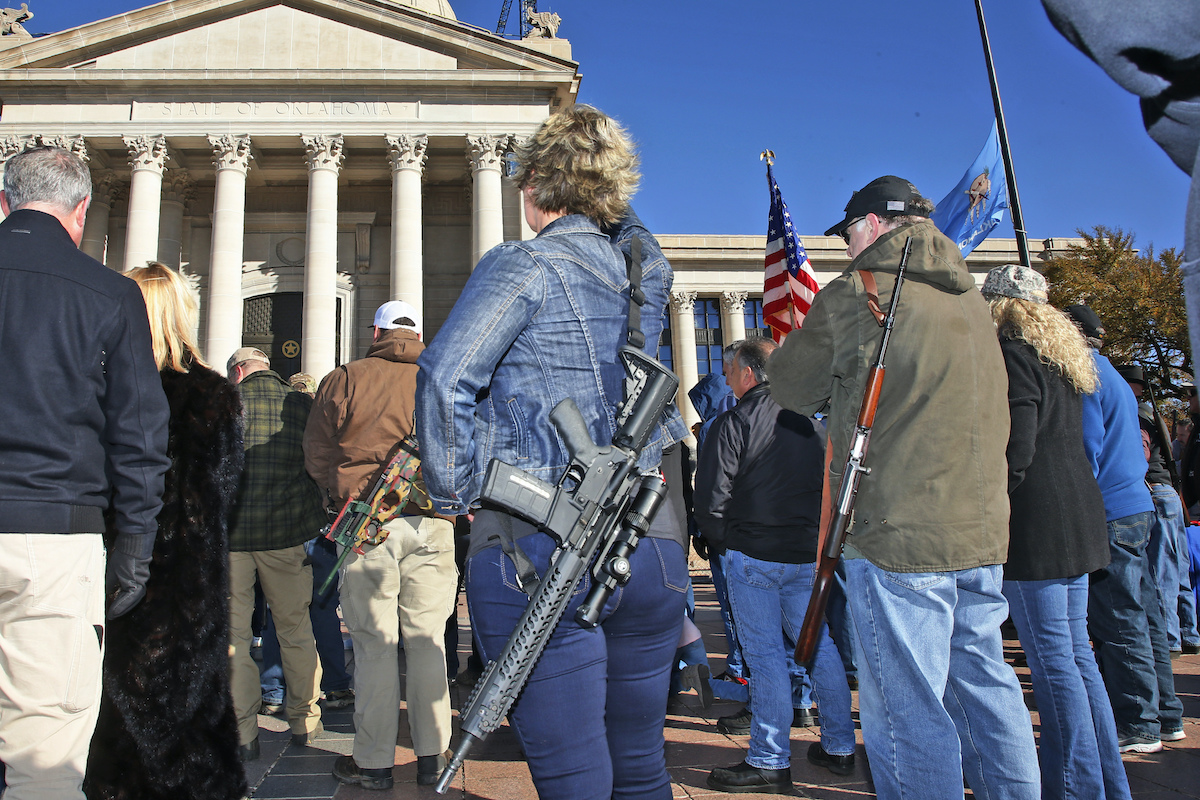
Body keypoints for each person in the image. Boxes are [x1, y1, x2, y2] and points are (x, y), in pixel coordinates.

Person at [416, 104, 688, 800]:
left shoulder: (525, 262)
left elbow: (448, 377)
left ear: (536, 183)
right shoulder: (641, 271)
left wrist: (457, 495)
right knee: (640, 765)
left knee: (574, 777)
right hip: (649, 543)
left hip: (538, 546)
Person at [767, 175, 1040, 800]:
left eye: (848, 233)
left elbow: (788, 386)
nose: (845, 246)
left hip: (895, 533)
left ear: (874, 226)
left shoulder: (860, 289)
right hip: (978, 529)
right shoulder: (971, 298)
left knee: (904, 707)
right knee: (988, 688)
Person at [0, 146, 170, 800]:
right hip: (55, 538)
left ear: (6, 201)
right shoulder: (108, 294)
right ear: (81, 213)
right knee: (45, 754)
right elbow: (139, 436)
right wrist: (133, 547)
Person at [84, 262, 247, 800]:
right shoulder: (213, 394)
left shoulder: (99, 383)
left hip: (102, 572)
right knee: (188, 727)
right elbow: (223, 493)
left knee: (103, 723)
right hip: (186, 587)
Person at [982, 266, 1130, 800]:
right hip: (1079, 517)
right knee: (1076, 659)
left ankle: (1074, 787)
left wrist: (989, 501)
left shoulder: (1016, 354)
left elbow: (1017, 449)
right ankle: (1107, 782)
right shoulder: (1066, 360)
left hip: (1039, 529)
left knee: (1053, 666)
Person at [305, 300, 458, 790]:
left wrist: (342, 493)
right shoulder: (443, 377)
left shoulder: (346, 377)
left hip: (369, 527)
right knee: (428, 641)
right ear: (417, 333)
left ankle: (373, 761)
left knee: (373, 645)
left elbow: (317, 451)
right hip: (432, 521)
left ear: (376, 331)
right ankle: (434, 756)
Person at [696, 338, 855, 794]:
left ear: (749, 374)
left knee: (766, 657)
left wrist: (725, 542)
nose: (726, 377)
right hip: (804, 555)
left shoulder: (735, 421)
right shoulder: (813, 424)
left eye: (730, 370)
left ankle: (769, 757)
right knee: (819, 649)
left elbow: (712, 496)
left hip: (756, 555)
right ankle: (840, 746)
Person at [1066, 304, 1186, 752]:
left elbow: (1086, 448)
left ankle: (1139, 722)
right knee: (1146, 614)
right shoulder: (1109, 373)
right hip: (1134, 505)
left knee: (1121, 618)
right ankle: (1164, 715)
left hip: (1112, 509)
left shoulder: (1086, 375)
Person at [226, 347, 325, 760]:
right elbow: (317, 464)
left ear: (238, 372)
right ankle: (304, 720)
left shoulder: (226, 404)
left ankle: (243, 730)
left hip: (232, 538)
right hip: (286, 535)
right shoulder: (301, 403)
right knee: (295, 630)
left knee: (234, 638)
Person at [1117, 364, 1197, 656]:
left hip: (1153, 490)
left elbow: (1141, 452)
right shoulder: (1151, 412)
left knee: (1160, 569)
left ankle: (1168, 639)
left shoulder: (1136, 414)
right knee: (1178, 569)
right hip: (1168, 493)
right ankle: (1189, 634)